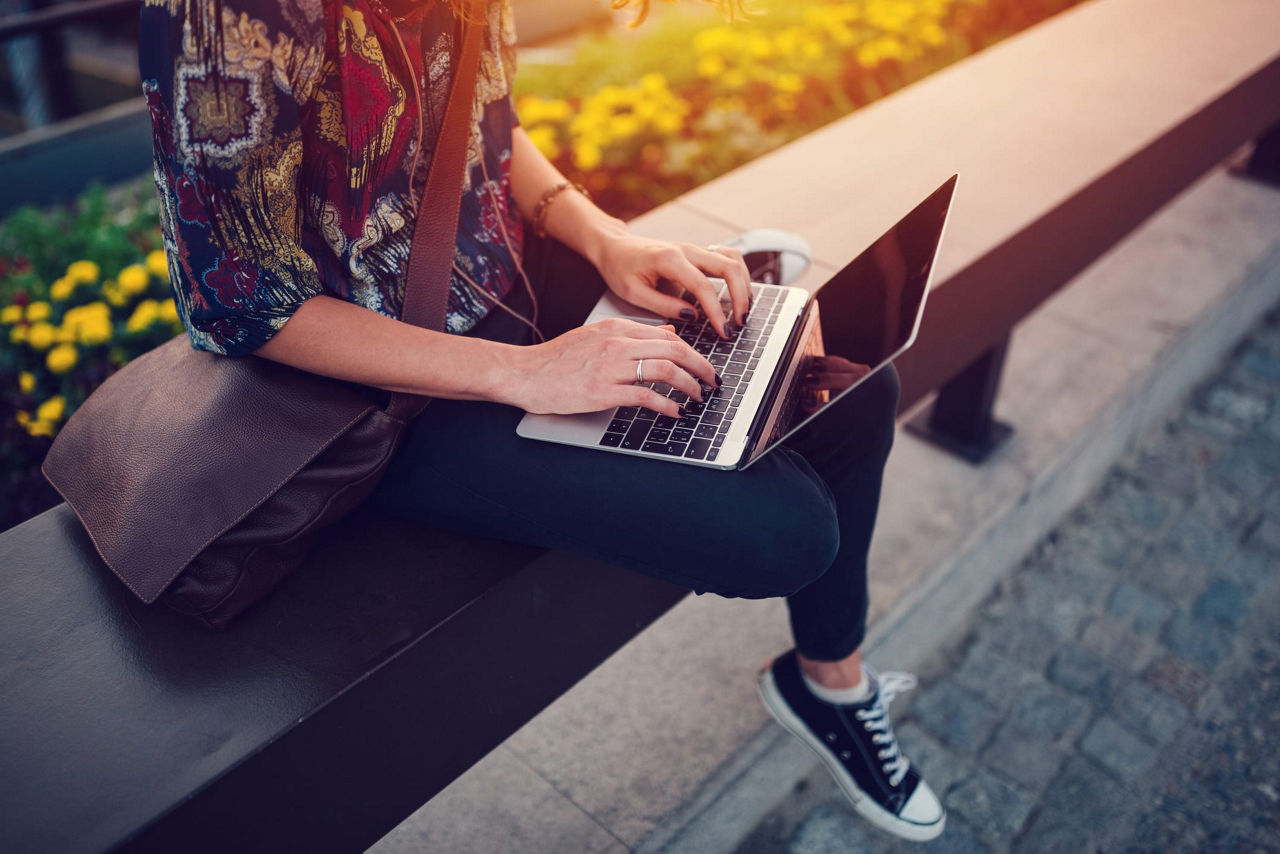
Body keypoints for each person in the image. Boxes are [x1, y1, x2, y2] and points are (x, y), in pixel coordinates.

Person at [138, 0, 945, 840]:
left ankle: (832, 687)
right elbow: (238, 306)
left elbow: (484, 120)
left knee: (850, 387)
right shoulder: (231, 16)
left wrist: (606, 240)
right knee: (789, 534)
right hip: (381, 387)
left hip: (504, 271)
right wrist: (526, 373)